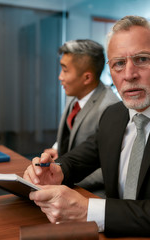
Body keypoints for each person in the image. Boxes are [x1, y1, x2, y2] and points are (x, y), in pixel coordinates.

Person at [23, 15, 150, 240]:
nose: (129, 75)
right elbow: (80, 158)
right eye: (119, 63)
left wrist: (90, 211)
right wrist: (57, 170)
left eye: (142, 59)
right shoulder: (114, 115)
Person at [43, 39, 119, 194]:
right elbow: (73, 128)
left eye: (65, 70)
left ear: (87, 78)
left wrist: (63, 177)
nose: (60, 77)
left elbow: (108, 170)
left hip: (90, 194)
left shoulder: (110, 108)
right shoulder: (74, 95)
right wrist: (57, 149)